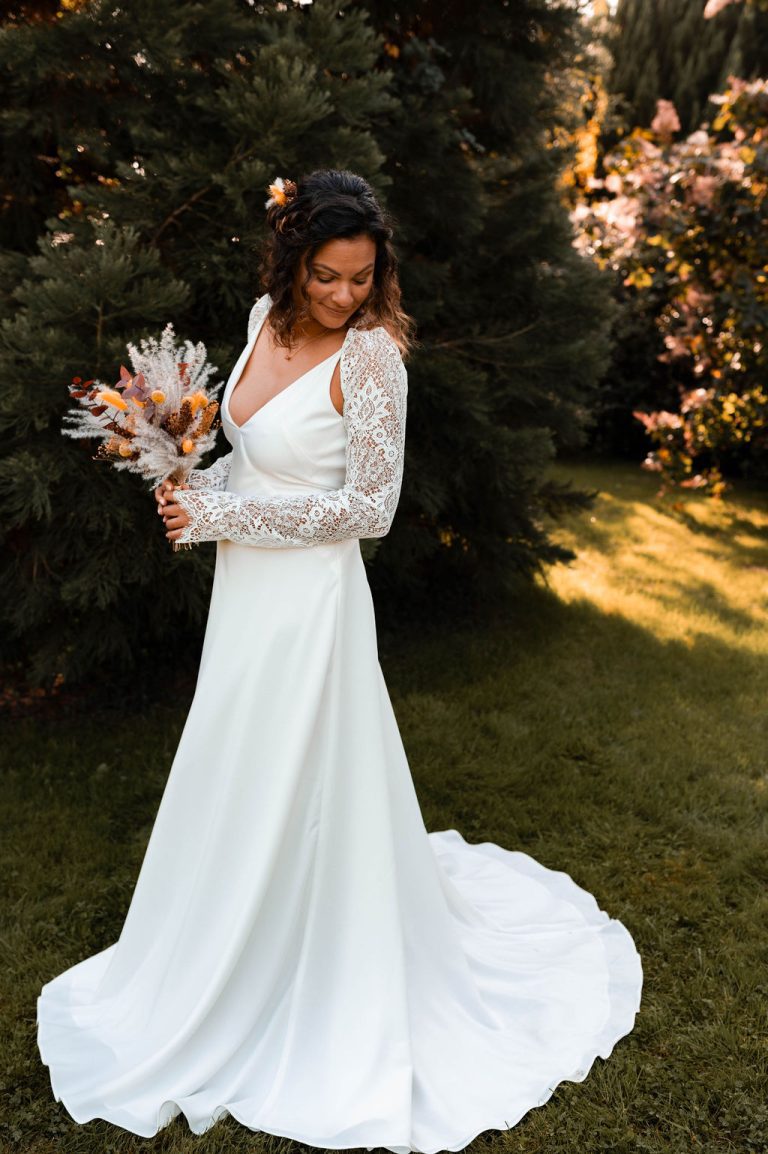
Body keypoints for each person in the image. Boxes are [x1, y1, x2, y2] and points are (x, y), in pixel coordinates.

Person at [37, 168, 642, 1152]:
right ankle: (222, 933)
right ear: (288, 261)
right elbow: (255, 446)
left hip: (313, 600)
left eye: (360, 277)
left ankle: (315, 959)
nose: (342, 296)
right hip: (246, 591)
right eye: (324, 275)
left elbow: (370, 509)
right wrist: (187, 473)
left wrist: (222, 512)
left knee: (301, 770)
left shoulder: (373, 359)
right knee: (239, 763)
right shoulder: (259, 320)